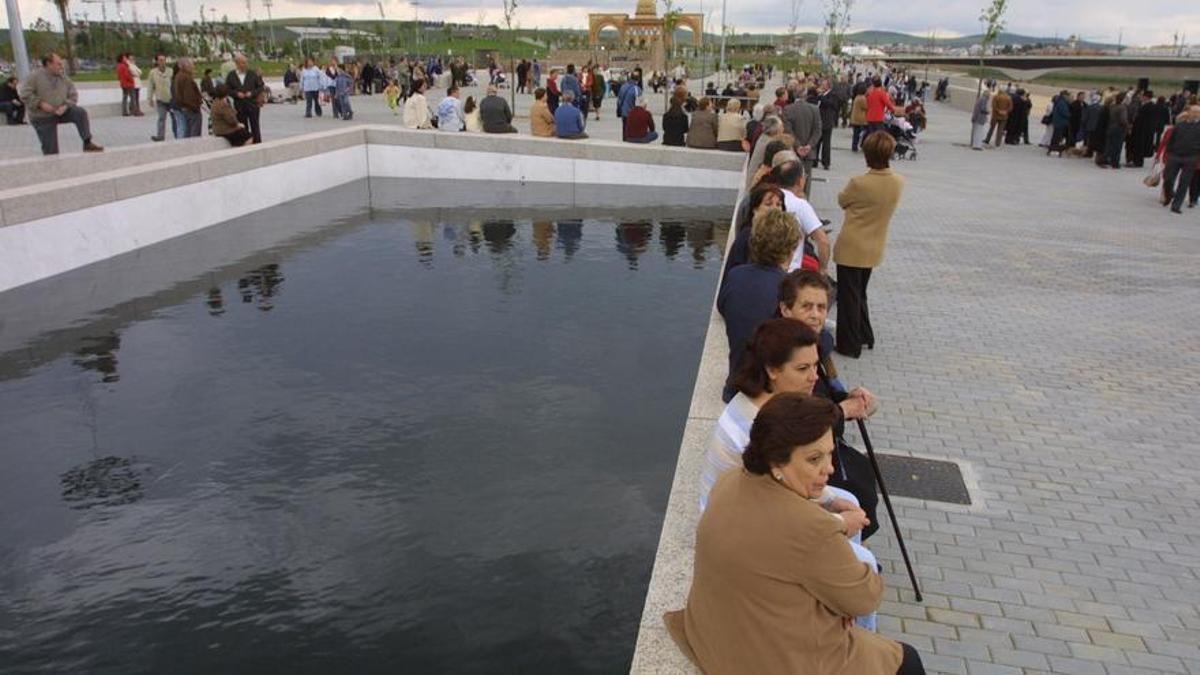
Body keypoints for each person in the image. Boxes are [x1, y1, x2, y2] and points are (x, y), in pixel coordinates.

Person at [664, 393, 925, 675]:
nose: (830, 468)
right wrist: (841, 600)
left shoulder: (729, 481)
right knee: (906, 660)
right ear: (776, 462)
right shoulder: (811, 527)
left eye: (829, 453)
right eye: (814, 459)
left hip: (712, 638)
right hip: (770, 659)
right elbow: (865, 598)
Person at [717, 209, 801, 402]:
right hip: (765, 393)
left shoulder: (735, 275)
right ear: (791, 248)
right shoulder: (788, 288)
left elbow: (722, 306)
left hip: (735, 383)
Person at [834, 131, 904, 359]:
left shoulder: (859, 182)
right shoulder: (897, 182)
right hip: (875, 245)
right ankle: (865, 334)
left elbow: (842, 200)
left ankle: (848, 344)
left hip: (852, 244)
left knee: (848, 296)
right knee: (860, 292)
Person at [19, 53, 103, 155]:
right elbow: (24, 94)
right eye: (58, 64)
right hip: (42, 116)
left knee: (80, 113)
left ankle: (87, 142)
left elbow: (73, 95)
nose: (61, 66)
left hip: (61, 111)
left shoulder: (63, 78)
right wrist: (40, 104)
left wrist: (66, 105)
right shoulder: (34, 77)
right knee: (51, 151)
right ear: (49, 64)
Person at [723, 182, 784, 278]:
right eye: (768, 204)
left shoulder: (781, 235)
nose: (775, 209)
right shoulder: (748, 235)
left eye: (778, 204)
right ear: (755, 209)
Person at [1160, 104, 1200, 214]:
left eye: (1198, 112)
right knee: (1168, 179)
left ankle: (1176, 205)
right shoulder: (1180, 125)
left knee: (1184, 182)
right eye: (1194, 112)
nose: (1196, 114)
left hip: (1191, 157)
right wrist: (1170, 152)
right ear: (1189, 113)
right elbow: (1171, 140)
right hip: (1175, 156)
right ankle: (1168, 195)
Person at [225, 54, 264, 143]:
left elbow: (260, 87)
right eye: (243, 63)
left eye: (246, 62)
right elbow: (227, 89)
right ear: (237, 64)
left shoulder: (252, 74)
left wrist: (252, 93)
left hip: (252, 104)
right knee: (243, 126)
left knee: (255, 126)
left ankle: (257, 143)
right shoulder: (231, 76)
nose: (245, 65)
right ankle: (246, 143)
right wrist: (236, 94)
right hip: (239, 105)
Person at [147, 53, 174, 141]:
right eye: (160, 60)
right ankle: (160, 136)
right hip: (160, 99)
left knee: (174, 117)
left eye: (164, 60)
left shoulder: (170, 71)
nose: (162, 62)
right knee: (161, 118)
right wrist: (150, 98)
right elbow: (150, 86)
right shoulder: (153, 72)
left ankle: (178, 134)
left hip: (171, 99)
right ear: (157, 61)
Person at [174, 58, 203, 137]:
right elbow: (189, 96)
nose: (193, 67)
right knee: (194, 132)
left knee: (188, 131)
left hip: (185, 108)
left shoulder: (178, 76)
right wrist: (196, 106)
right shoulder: (186, 78)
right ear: (185, 66)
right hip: (191, 109)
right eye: (192, 65)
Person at [815, 79, 840, 168]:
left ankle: (826, 162)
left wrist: (821, 96)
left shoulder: (832, 94)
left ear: (828, 86)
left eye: (824, 84)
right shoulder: (821, 94)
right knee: (816, 142)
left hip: (827, 121)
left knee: (826, 143)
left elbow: (831, 104)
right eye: (822, 84)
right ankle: (815, 160)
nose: (822, 86)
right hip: (818, 120)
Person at [1105, 92, 1130, 170]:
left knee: (1111, 145)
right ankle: (1115, 162)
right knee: (1117, 146)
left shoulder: (1112, 106)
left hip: (1111, 127)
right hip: (1119, 129)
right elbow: (1123, 120)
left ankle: (1108, 159)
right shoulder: (1122, 108)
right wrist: (1128, 126)